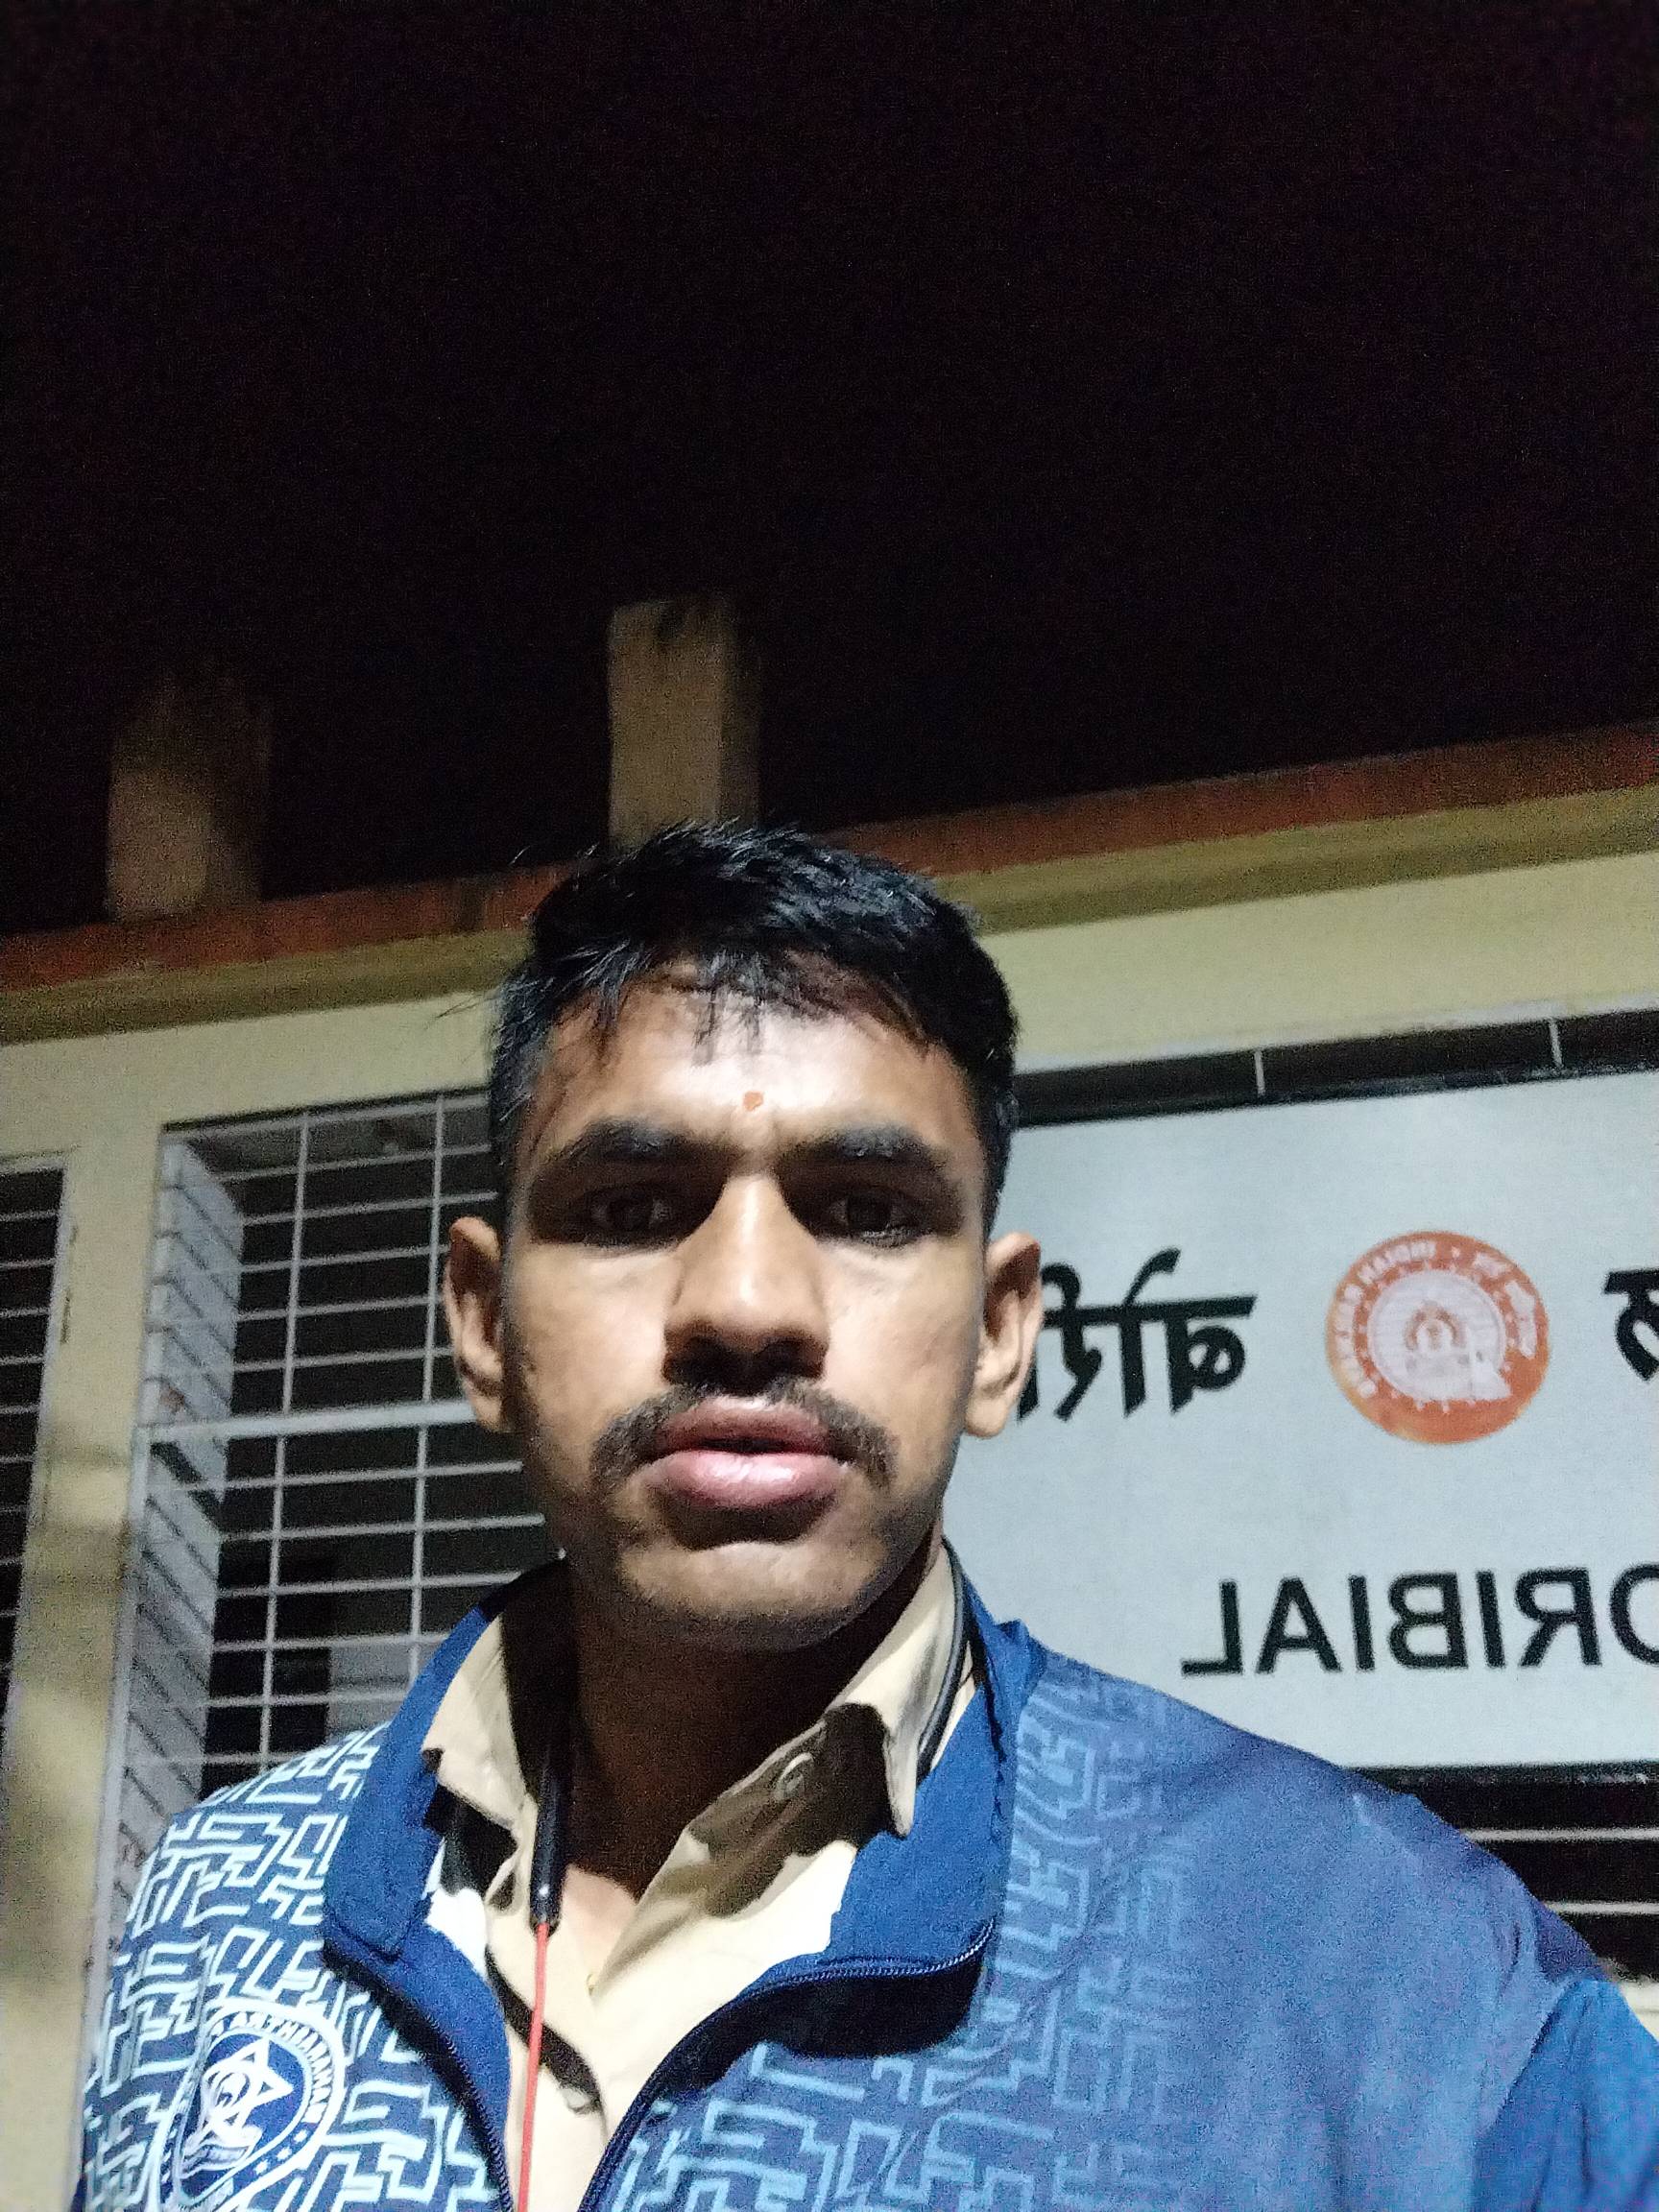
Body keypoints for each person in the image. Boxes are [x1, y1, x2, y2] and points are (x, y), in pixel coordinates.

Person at [80, 824, 1658, 2212]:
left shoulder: (1391, 1969)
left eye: (865, 1211)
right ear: (486, 1325)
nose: (747, 1306)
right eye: (629, 1208)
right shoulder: (222, 1901)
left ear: (1000, 1333)